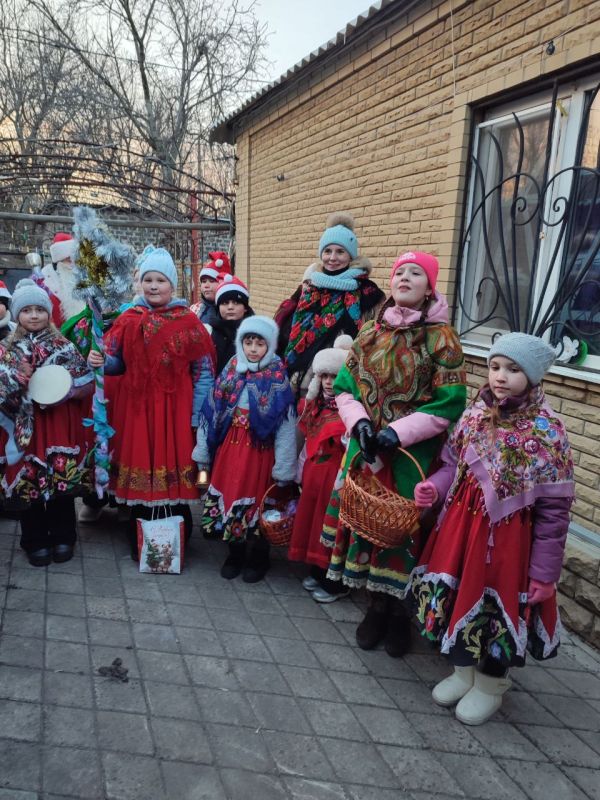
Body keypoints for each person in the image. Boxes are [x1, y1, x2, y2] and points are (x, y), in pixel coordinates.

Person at [410, 332, 574, 726]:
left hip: (508, 544)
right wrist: (435, 486)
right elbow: (453, 464)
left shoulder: (547, 432)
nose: (500, 376)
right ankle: (462, 671)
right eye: (495, 366)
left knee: (496, 610)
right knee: (458, 598)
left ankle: (490, 684)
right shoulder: (475, 414)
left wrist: (544, 574)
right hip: (461, 531)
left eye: (513, 369)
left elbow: (554, 513)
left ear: (533, 376)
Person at [322, 252, 467, 657]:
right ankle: (375, 605)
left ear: (430, 286)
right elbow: (345, 388)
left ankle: (401, 614)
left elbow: (449, 403)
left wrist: (396, 433)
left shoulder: (443, 339)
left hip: (411, 455)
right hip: (367, 449)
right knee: (368, 521)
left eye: (416, 272)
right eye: (400, 271)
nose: (405, 277)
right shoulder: (370, 331)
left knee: (403, 528)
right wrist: (361, 425)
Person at [88, 246, 215, 558]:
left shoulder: (187, 322)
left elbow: (204, 373)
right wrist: (101, 360)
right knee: (143, 470)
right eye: (148, 280)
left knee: (174, 472)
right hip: (138, 411)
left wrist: (197, 415)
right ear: (140, 283)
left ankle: (176, 538)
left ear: (173, 286)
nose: (154, 286)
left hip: (175, 412)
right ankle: (143, 539)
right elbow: (117, 363)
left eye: (161, 280)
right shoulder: (128, 320)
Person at [195, 316, 297, 583]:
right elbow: (213, 409)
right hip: (230, 449)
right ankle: (235, 552)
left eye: (259, 343)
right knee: (231, 496)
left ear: (270, 345)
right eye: (248, 342)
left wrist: (284, 466)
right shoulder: (231, 369)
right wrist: (203, 450)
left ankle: (259, 556)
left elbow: (286, 423)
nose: (252, 348)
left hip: (260, 453)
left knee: (259, 500)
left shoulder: (277, 375)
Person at [0, 279, 94, 566]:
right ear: (17, 315)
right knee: (30, 485)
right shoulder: (7, 348)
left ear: (48, 313)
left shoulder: (62, 345)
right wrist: (18, 378)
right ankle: (34, 539)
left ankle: (64, 536)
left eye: (39, 309)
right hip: (25, 430)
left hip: (57, 426)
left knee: (59, 484)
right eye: (26, 310)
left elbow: (84, 381)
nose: (33, 315)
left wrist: (68, 390)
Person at [278, 212, 385, 395]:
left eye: (340, 251)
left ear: (351, 256)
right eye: (327, 251)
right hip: (302, 377)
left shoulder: (368, 292)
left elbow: (376, 336)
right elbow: (288, 324)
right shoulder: (310, 286)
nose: (332, 258)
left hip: (342, 380)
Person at [288, 334, 352, 603]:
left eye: (334, 376)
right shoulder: (313, 408)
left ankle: (334, 580)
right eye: (324, 376)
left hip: (335, 478)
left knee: (331, 526)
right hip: (314, 476)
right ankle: (316, 568)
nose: (329, 382)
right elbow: (305, 443)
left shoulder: (350, 412)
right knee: (314, 523)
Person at [210, 274, 254, 374]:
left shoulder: (256, 333)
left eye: (236, 302)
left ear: (245, 307)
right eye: (225, 303)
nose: (230, 307)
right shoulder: (209, 332)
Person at [40, 232, 86, 326]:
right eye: (66, 257)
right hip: (55, 330)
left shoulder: (85, 276)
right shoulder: (44, 278)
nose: (71, 259)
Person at [190, 251, 232, 328]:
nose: (206, 285)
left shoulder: (231, 310)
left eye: (212, 281)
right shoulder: (194, 310)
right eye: (203, 281)